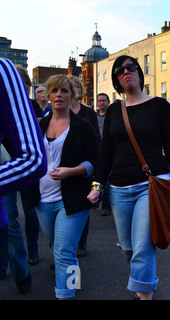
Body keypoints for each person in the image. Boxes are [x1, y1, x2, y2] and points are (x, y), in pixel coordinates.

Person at [87, 55, 170, 300]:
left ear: (139, 73)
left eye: (130, 67)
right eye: (120, 71)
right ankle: (145, 281)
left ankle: (144, 293)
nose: (126, 72)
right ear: (117, 80)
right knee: (128, 249)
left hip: (150, 184)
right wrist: (97, 185)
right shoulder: (114, 110)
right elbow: (107, 152)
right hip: (119, 189)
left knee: (143, 247)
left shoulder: (159, 106)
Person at [22, 74, 98, 299]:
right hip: (42, 200)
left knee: (64, 251)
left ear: (72, 95)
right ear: (48, 94)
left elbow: (95, 161)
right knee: (59, 248)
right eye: (54, 91)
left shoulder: (82, 126)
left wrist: (71, 171)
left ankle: (66, 294)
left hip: (73, 198)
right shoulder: (38, 126)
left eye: (64, 91)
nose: (58, 95)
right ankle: (74, 281)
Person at [0, 58, 47, 290]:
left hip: (11, 166)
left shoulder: (4, 73)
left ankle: (22, 269)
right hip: (9, 166)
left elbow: (32, 156)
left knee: (15, 217)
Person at [68, 75, 100, 257]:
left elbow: (96, 139)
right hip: (63, 167)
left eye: (77, 86)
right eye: (70, 86)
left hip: (84, 166)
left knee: (83, 204)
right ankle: (64, 248)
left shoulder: (88, 114)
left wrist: (96, 166)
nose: (74, 90)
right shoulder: (58, 111)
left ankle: (82, 241)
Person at [96, 93, 112, 216]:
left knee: (107, 182)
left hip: (109, 150)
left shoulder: (112, 116)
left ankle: (106, 206)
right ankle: (97, 197)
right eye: (99, 101)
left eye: (103, 100)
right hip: (96, 150)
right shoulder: (94, 116)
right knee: (96, 179)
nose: (101, 103)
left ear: (108, 102)